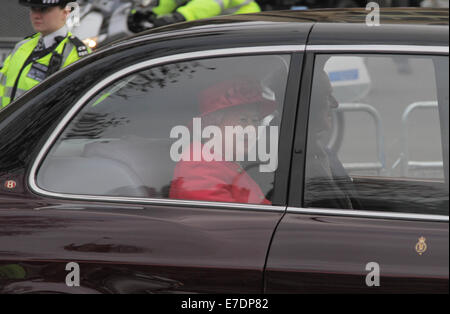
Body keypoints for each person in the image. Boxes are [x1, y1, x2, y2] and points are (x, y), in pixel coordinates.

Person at [169, 79, 276, 205]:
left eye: (255, 120)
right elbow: (228, 221)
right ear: (212, 125)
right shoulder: (199, 168)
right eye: (243, 120)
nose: (252, 129)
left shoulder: (226, 162)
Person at [0, 0, 90, 108]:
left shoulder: (77, 55)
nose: (37, 15)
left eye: (44, 9)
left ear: (66, 12)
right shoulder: (22, 46)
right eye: (33, 9)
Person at [304, 69, 361, 210]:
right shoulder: (306, 162)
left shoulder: (322, 152)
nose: (335, 104)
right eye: (327, 96)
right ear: (310, 103)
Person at [128, 0, 262, 32]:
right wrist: (150, 13)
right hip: (211, 26)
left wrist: (179, 17)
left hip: (242, 23)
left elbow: (212, 3)